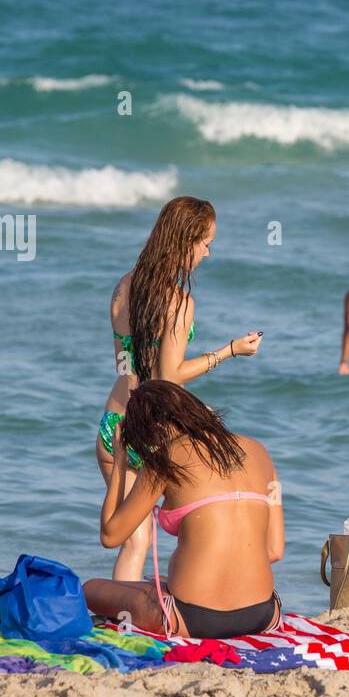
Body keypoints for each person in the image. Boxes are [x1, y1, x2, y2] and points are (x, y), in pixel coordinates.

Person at [97, 196, 262, 581]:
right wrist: (229, 351)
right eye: (205, 243)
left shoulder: (123, 287)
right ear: (185, 240)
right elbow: (167, 379)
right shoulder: (178, 301)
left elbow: (127, 366)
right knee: (190, 531)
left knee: (135, 541)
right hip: (151, 432)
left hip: (114, 424)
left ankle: (123, 624)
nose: (207, 253)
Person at [86, 380, 284, 639]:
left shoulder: (165, 458)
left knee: (91, 589)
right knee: (148, 583)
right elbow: (274, 550)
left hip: (191, 618)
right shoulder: (260, 451)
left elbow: (111, 536)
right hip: (264, 614)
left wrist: (121, 460)